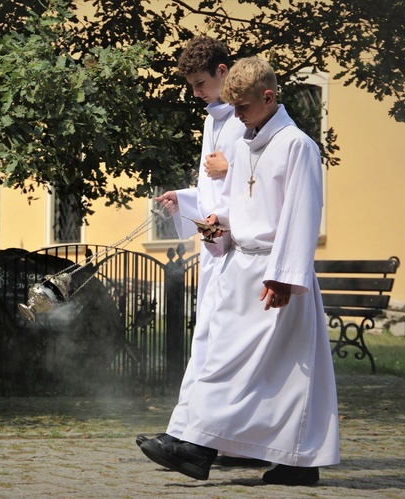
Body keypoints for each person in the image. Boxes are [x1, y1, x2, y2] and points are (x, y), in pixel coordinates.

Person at [140, 56, 340, 486]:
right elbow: (244, 207)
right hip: (242, 265)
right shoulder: (251, 141)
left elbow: (300, 215)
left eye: (244, 108)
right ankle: (296, 462)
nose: (237, 117)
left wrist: (284, 277)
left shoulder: (296, 145)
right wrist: (219, 225)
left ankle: (197, 447)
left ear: (268, 97)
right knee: (266, 371)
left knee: (240, 364)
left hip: (273, 274)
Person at [140, 37, 254, 466]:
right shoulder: (212, 121)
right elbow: (211, 188)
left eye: (201, 83)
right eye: (190, 85)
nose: (196, 93)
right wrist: (183, 198)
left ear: (224, 72)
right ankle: (190, 434)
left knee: (215, 343)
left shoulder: (246, 118)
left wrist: (233, 168)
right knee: (205, 340)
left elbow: (261, 178)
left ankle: (192, 438)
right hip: (214, 246)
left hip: (237, 247)